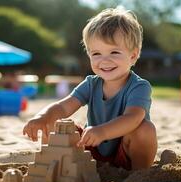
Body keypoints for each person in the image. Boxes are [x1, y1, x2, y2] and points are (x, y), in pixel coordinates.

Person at [23, 7, 157, 170]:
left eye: (114, 52)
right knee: (56, 123)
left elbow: (132, 118)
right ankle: (54, 169)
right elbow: (63, 106)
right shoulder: (91, 83)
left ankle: (140, 175)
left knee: (145, 129)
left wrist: (102, 132)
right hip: (90, 150)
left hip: (124, 152)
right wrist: (42, 117)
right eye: (96, 54)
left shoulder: (139, 86)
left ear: (133, 56)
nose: (104, 60)